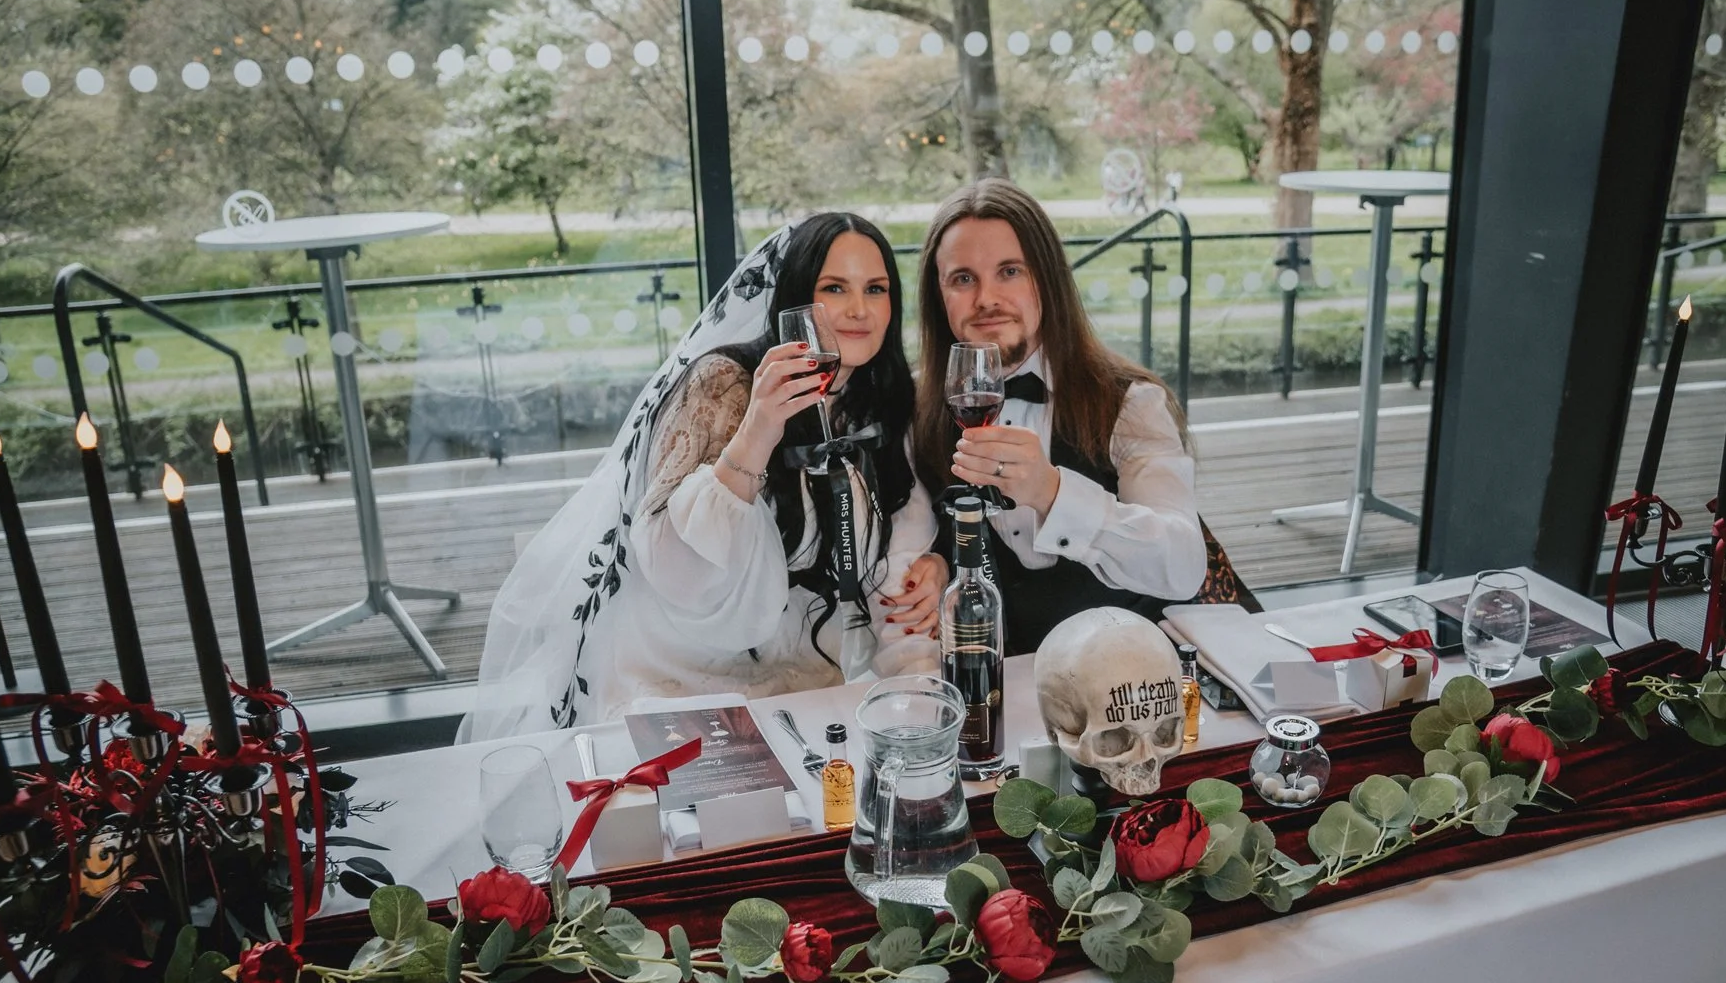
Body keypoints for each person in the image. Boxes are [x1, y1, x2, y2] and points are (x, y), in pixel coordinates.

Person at [471, 215, 946, 737]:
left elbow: (899, 553)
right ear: (795, 299)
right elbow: (678, 573)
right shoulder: (724, 387)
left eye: (875, 289)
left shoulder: (879, 404)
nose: (859, 310)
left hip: (805, 690)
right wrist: (758, 433)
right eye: (834, 288)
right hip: (682, 688)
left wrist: (924, 665)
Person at [913, 179, 1206, 656]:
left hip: (1124, 682)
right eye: (963, 278)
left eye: (1010, 271)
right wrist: (935, 562)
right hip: (996, 685)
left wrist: (1052, 493)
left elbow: (1184, 564)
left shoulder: (1131, 403)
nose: (986, 298)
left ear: (1047, 279)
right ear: (938, 296)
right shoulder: (922, 407)